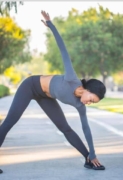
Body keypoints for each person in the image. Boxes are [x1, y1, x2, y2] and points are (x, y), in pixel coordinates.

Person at [0, 10, 106, 173]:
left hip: (45, 96)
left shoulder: (80, 106)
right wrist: (51, 25)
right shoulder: (71, 78)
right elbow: (63, 50)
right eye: (91, 99)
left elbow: (86, 129)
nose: (89, 103)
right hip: (30, 86)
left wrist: (92, 154)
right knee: (9, 122)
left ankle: (87, 160)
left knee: (65, 128)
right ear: (87, 89)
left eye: (92, 102)